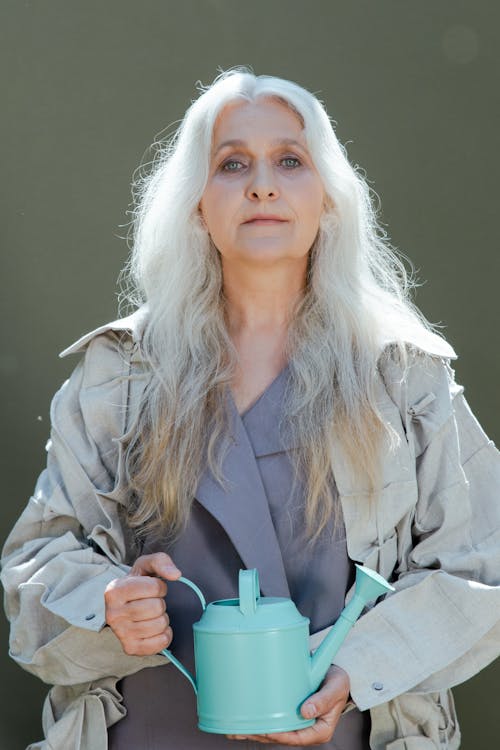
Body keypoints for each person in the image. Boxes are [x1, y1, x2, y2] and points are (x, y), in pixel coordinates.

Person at [1, 66, 499, 750]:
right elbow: (37, 561)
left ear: (328, 197)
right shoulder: (119, 372)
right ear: (195, 205)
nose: (262, 184)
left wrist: (358, 670)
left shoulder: (404, 375)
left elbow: (480, 568)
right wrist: (107, 604)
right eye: (232, 163)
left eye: (290, 160)